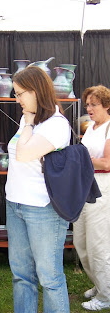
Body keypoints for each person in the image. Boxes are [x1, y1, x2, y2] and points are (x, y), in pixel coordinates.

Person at [5, 66, 71, 313]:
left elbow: (22, 154)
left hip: (42, 209)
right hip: (15, 204)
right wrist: (29, 122)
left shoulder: (56, 124)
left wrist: (30, 123)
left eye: (20, 93)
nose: (17, 99)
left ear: (37, 91)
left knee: (50, 278)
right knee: (21, 275)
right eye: (15, 93)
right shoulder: (27, 118)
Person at [73, 85, 110, 311]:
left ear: (106, 105)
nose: (89, 108)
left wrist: (83, 157)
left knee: (98, 244)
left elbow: (106, 163)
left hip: (103, 188)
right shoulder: (92, 128)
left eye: (94, 104)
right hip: (85, 186)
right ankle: (99, 283)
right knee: (81, 241)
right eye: (87, 104)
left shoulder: (108, 128)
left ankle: (106, 295)